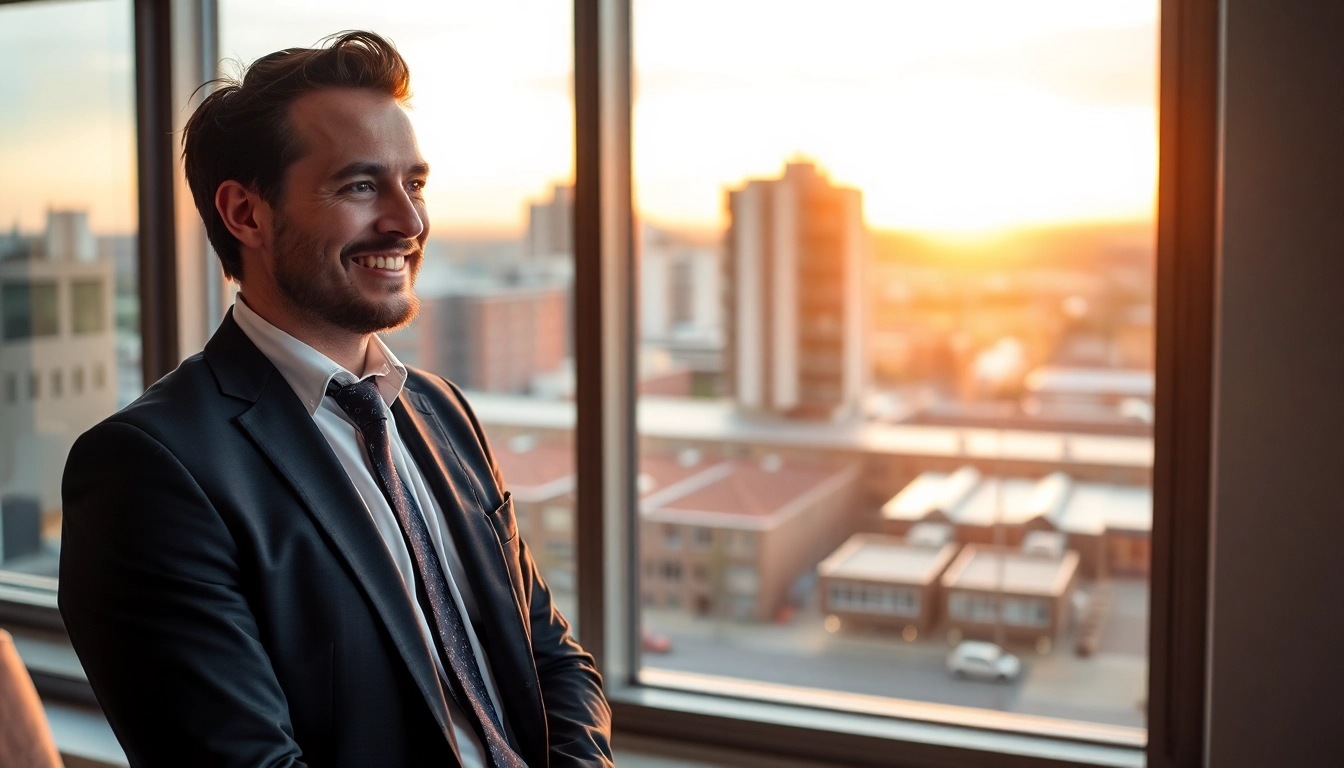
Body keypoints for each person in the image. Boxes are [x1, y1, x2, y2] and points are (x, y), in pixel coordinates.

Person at [58, 31, 612, 768]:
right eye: (360, 186)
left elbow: (551, 656)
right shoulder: (148, 470)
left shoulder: (442, 412)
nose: (409, 222)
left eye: (414, 184)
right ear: (246, 214)